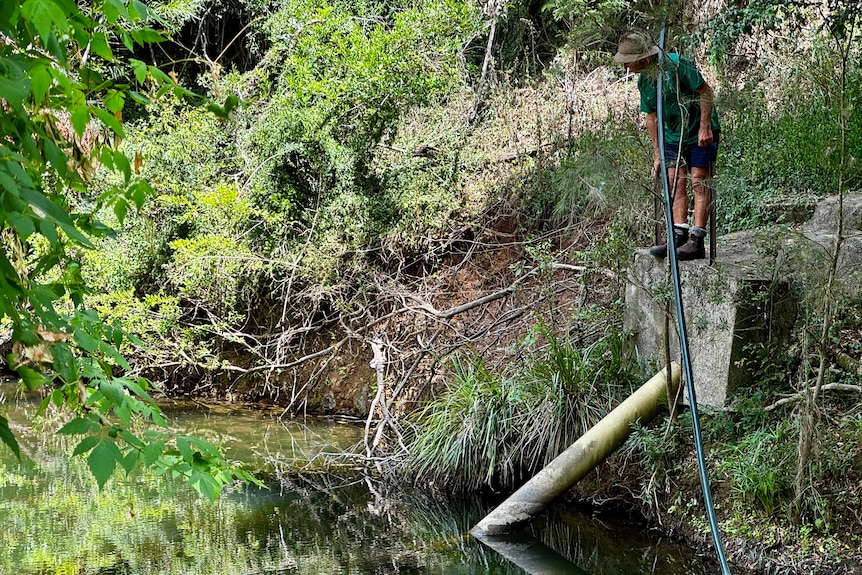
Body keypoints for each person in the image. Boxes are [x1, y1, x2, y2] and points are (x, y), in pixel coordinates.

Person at [614, 31, 720, 260]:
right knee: (674, 181)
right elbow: (651, 117)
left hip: (699, 131)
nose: (626, 67)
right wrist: (657, 152)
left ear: (641, 59)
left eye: (628, 62)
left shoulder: (677, 65)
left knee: (699, 181)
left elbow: (706, 92)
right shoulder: (645, 81)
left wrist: (704, 127)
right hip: (673, 135)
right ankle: (678, 235)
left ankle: (697, 240)